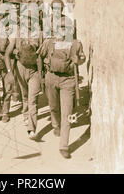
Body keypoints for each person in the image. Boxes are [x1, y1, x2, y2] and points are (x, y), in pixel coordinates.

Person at [37, 15, 86, 159]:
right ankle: (55, 124)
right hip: (51, 78)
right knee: (53, 106)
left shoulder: (76, 43)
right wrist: (41, 75)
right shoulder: (49, 42)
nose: (63, 31)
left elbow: (82, 58)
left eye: (66, 28)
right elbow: (39, 56)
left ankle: (64, 145)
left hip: (68, 81)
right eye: (61, 28)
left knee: (67, 113)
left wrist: (79, 60)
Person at [5, 0, 44, 140]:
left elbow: (44, 53)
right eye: (26, 19)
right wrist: (10, 72)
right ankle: (25, 115)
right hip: (20, 69)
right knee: (25, 96)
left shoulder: (39, 34)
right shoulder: (16, 34)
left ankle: (31, 129)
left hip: (34, 70)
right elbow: (7, 54)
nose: (28, 22)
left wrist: (43, 72)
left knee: (33, 99)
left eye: (31, 19)